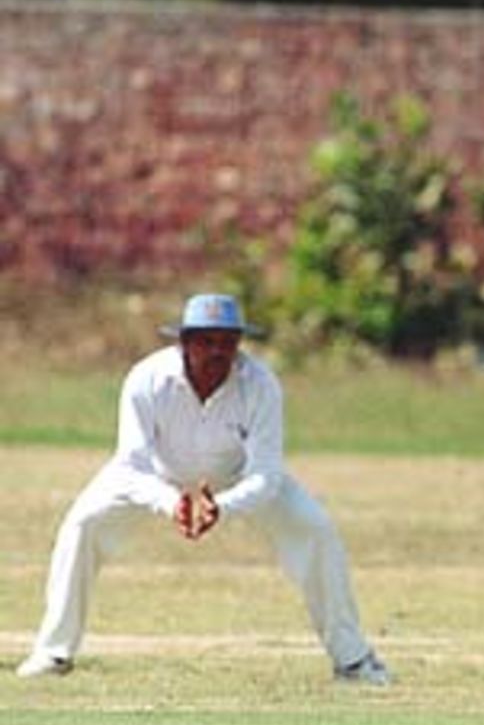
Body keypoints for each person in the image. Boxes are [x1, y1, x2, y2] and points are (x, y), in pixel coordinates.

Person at [15, 293, 390, 686]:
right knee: (82, 525)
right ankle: (53, 652)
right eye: (206, 341)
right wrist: (172, 502)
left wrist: (220, 507)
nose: (218, 351)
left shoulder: (261, 385)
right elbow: (130, 465)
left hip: (235, 478)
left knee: (315, 529)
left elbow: (266, 475)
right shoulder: (147, 379)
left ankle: (353, 660)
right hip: (154, 478)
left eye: (227, 341)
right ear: (184, 342)